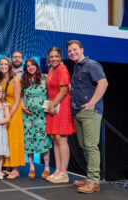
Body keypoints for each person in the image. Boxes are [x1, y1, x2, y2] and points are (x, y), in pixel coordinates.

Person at [67, 40, 108, 193]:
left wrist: (92, 102)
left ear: (82, 49)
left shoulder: (92, 64)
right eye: (70, 51)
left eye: (75, 50)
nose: (72, 53)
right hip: (78, 112)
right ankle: (90, 177)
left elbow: (103, 83)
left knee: (91, 146)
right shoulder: (77, 68)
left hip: (90, 112)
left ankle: (93, 182)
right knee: (84, 146)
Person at [45, 47, 75, 184]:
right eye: (51, 57)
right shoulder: (52, 69)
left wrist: (52, 105)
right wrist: (50, 105)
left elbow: (63, 91)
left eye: (56, 56)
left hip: (61, 105)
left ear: (61, 57)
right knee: (54, 138)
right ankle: (57, 170)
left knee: (61, 139)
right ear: (48, 58)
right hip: (53, 105)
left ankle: (64, 173)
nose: (54, 59)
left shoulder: (62, 69)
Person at [21, 58, 52, 179]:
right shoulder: (24, 80)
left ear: (36, 66)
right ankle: (32, 167)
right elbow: (20, 96)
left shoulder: (45, 78)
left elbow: (53, 90)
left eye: (32, 65)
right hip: (28, 117)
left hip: (42, 116)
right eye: (28, 66)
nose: (30, 67)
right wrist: (23, 107)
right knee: (29, 142)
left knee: (43, 141)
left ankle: (47, 168)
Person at [0, 57, 25, 179]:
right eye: (1, 64)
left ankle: (15, 169)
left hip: (13, 112)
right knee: (6, 139)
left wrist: (9, 115)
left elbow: (17, 99)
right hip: (4, 111)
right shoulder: (0, 79)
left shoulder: (15, 80)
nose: (3, 66)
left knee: (13, 139)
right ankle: (7, 167)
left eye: (5, 64)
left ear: (9, 65)